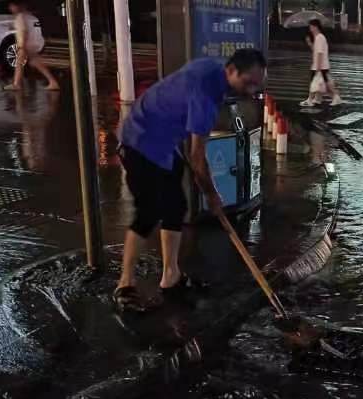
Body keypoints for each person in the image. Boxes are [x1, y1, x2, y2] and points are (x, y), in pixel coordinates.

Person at [113, 49, 267, 312]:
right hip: (139, 140)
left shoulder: (216, 67)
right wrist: (213, 196)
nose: (252, 90)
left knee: (176, 207)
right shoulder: (206, 94)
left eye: (257, 84)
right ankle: (125, 284)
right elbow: (197, 157)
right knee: (148, 212)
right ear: (232, 71)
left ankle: (171, 276)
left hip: (166, 143)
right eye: (248, 83)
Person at [4, 1, 59, 91]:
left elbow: (23, 31)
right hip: (36, 44)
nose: (11, 8)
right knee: (29, 62)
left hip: (26, 45)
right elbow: (37, 30)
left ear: (18, 7)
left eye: (12, 6)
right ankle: (52, 82)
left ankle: (17, 84)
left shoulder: (20, 17)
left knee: (22, 63)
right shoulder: (32, 17)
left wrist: (22, 46)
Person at [300, 19, 342, 107]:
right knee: (322, 83)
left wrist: (318, 67)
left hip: (320, 66)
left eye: (311, 27)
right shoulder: (318, 37)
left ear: (315, 27)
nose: (310, 29)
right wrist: (310, 43)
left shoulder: (320, 37)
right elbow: (315, 51)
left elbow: (320, 53)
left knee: (322, 83)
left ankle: (312, 99)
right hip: (321, 65)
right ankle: (317, 98)